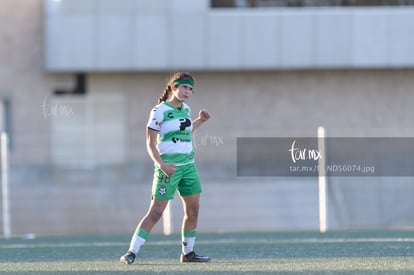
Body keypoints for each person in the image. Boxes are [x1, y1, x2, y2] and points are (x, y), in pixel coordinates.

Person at [120, 72, 211, 264]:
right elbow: (150, 143)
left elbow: (184, 131)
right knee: (156, 212)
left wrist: (199, 121)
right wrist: (161, 165)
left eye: (191, 89)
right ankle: (131, 252)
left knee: (193, 211)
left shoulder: (186, 109)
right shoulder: (159, 111)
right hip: (168, 167)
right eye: (185, 87)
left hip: (189, 166)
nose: (188, 91)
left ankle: (188, 254)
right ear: (173, 87)